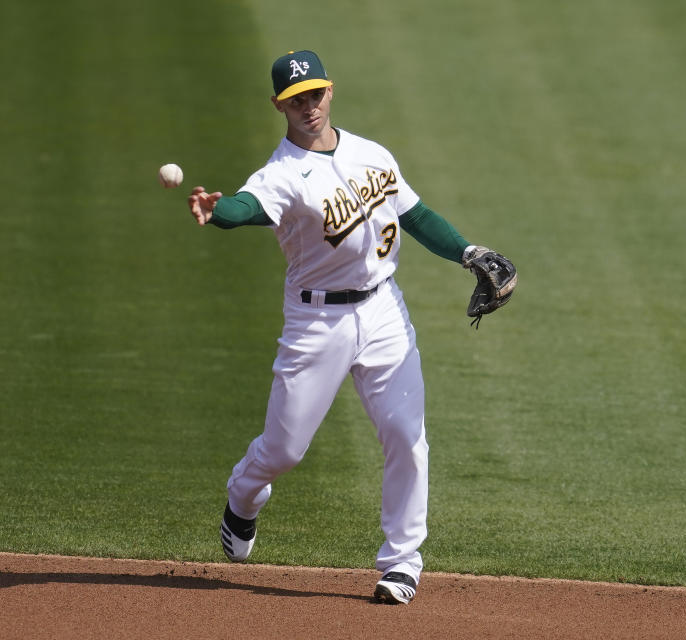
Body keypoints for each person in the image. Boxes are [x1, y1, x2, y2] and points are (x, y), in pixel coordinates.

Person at [187, 50, 483, 605]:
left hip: (383, 311)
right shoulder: (281, 174)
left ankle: (401, 561)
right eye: (296, 99)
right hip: (316, 321)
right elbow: (248, 207)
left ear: (331, 91)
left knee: (406, 435)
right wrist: (217, 207)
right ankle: (243, 495)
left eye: (315, 93)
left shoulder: (373, 155)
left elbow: (417, 217)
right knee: (283, 451)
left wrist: (468, 252)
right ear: (280, 105)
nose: (309, 106)